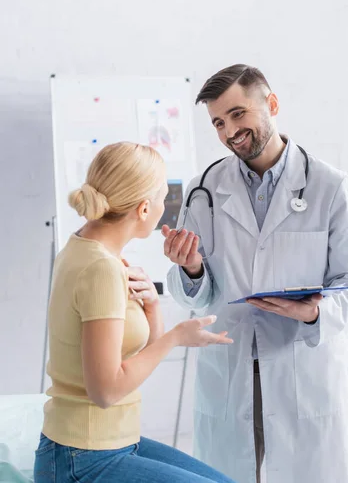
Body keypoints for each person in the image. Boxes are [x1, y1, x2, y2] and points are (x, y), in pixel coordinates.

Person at [163, 65, 348, 483]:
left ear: (272, 104)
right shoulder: (203, 188)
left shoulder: (329, 186)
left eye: (238, 114)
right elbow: (191, 295)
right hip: (231, 362)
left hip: (300, 362)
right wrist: (190, 269)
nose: (229, 131)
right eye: (219, 123)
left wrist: (316, 313)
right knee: (228, 473)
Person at [34, 141, 237, 483]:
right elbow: (106, 391)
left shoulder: (84, 248)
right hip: (81, 457)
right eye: (162, 196)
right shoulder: (101, 268)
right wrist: (175, 337)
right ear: (144, 209)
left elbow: (134, 361)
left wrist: (153, 308)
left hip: (110, 443)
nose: (164, 205)